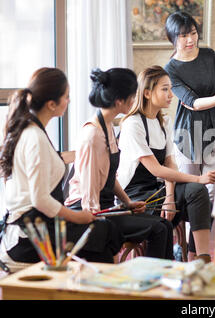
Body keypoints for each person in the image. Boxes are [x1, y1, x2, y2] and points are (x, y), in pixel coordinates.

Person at [0, 68, 123, 268]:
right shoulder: (34, 137)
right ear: (51, 104)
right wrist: (78, 216)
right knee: (104, 231)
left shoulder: (33, 131)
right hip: (31, 232)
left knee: (105, 231)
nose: (69, 101)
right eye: (66, 96)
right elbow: (40, 199)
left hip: (37, 223)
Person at [64, 68, 174, 260]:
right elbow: (89, 197)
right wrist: (98, 221)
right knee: (158, 228)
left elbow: (109, 176)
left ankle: (161, 281)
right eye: (132, 96)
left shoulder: (108, 126)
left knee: (164, 225)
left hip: (106, 207)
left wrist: (127, 203)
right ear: (119, 101)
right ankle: (152, 280)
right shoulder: (92, 136)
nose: (135, 101)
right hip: (88, 212)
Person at [117, 65, 215, 263]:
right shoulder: (132, 124)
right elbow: (155, 168)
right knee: (198, 186)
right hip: (135, 197)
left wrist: (170, 196)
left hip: (158, 190)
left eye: (171, 88)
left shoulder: (164, 122)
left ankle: (199, 259)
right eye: (165, 89)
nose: (171, 94)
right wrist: (197, 177)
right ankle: (182, 262)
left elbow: (169, 164)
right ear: (147, 93)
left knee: (200, 193)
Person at [164, 11, 215, 203]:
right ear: (173, 38)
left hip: (213, 128)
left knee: (212, 192)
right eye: (183, 36)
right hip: (187, 133)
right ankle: (190, 233)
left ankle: (209, 234)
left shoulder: (209, 55)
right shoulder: (170, 69)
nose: (190, 39)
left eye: (193, 33)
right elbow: (193, 103)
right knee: (192, 192)